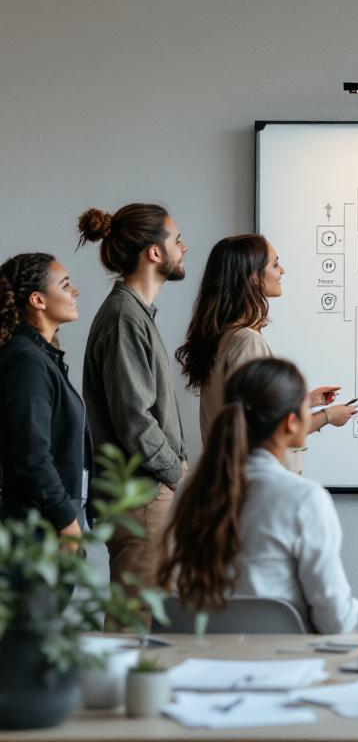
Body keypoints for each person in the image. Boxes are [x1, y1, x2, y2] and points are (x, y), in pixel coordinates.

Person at [157, 358, 358, 633]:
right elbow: (335, 621)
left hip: (201, 661)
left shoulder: (190, 490)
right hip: (283, 668)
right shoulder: (305, 499)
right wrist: (355, 606)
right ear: (291, 422)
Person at [175, 234, 356, 474]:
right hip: (256, 484)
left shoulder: (223, 336)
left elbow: (246, 411)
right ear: (254, 278)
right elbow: (265, 430)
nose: (282, 270)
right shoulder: (247, 342)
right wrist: (329, 415)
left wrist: (306, 401)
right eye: (275, 264)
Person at [77, 204, 189, 589]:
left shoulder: (135, 314)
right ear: (154, 253)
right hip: (142, 495)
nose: (183, 247)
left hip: (148, 491)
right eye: (176, 239)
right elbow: (134, 419)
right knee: (136, 629)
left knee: (150, 627)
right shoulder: (124, 317)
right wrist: (175, 472)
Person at [0, 253, 91, 537]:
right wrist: (65, 520)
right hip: (41, 526)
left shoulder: (41, 356)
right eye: (65, 285)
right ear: (38, 300)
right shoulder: (26, 360)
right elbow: (32, 453)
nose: (75, 291)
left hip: (52, 517)